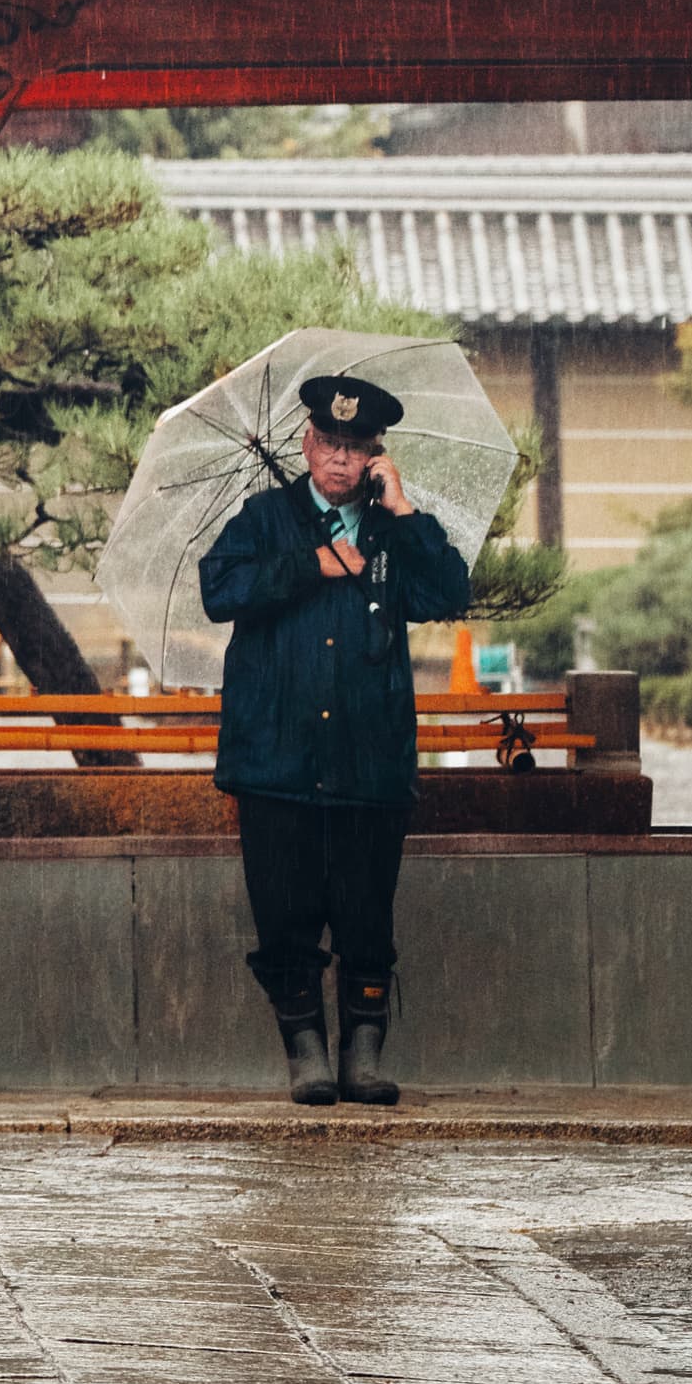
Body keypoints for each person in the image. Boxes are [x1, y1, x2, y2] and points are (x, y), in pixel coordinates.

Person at [199, 374, 474, 1108]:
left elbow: (449, 593)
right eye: (329, 443)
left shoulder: (393, 529)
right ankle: (306, 1052)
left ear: (377, 455)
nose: (340, 461)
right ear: (306, 442)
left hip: (369, 761)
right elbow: (218, 590)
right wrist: (307, 564)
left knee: (365, 912)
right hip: (274, 760)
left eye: (357, 449)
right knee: (283, 911)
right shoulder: (264, 519)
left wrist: (406, 509)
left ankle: (363, 1049)